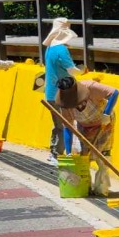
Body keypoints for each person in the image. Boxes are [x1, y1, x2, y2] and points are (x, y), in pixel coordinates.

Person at [56, 77, 119, 196]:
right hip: (83, 126)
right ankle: (85, 186)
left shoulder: (91, 86)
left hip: (104, 123)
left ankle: (101, 187)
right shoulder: (64, 104)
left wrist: (106, 113)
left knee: (102, 156)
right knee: (83, 156)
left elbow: (114, 93)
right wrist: (68, 151)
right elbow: (68, 127)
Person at [43, 18, 84, 166]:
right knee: (65, 124)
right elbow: (71, 69)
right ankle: (58, 154)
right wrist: (82, 71)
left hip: (50, 92)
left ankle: (54, 151)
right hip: (62, 93)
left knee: (57, 124)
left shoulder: (49, 48)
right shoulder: (62, 50)